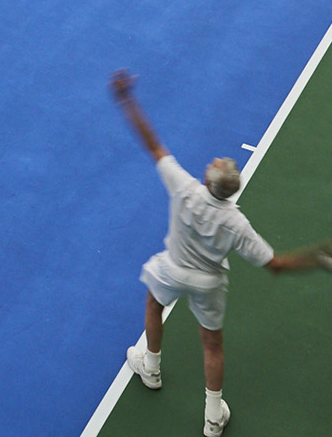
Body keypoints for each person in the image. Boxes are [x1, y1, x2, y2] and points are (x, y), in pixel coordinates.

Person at [109, 70, 320, 437]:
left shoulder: (184, 188)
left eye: (216, 163)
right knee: (212, 345)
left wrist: (127, 99)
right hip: (208, 284)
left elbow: (152, 143)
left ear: (209, 180)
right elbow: (275, 264)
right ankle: (212, 417)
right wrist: (315, 258)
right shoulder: (237, 223)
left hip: (172, 269)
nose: (214, 159)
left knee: (154, 304)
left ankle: (151, 368)